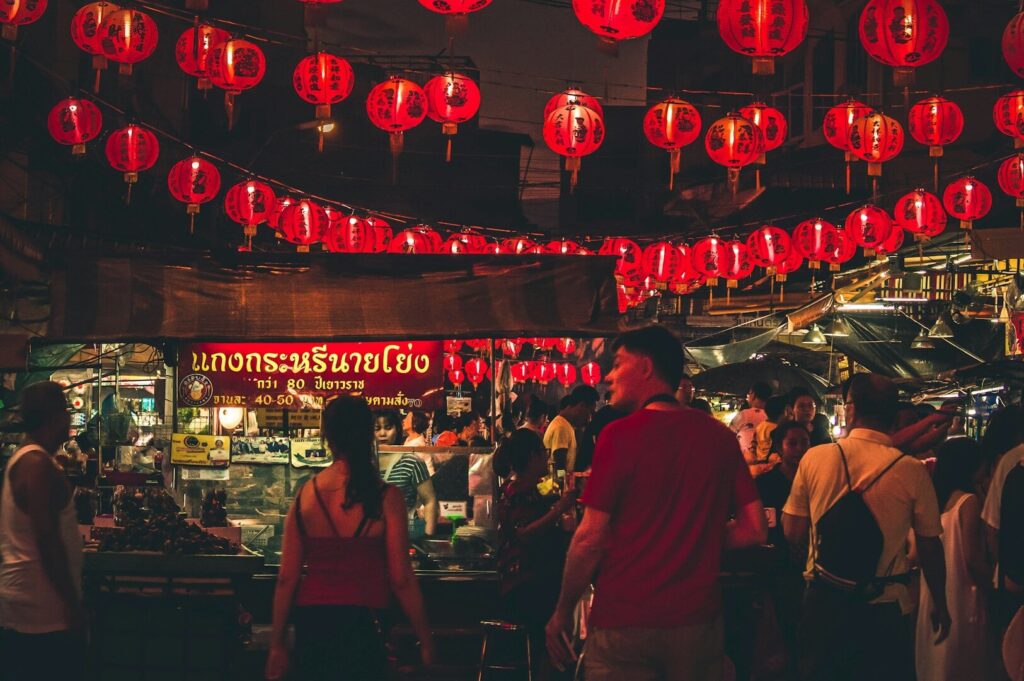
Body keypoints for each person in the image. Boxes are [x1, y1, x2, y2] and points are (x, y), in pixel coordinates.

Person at [545, 326, 766, 680]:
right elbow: (754, 530)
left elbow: (589, 539)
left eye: (618, 364)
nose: (609, 375)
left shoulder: (618, 437)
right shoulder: (720, 438)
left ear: (646, 368)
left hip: (624, 624)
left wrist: (562, 611)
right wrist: (696, 543)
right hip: (697, 626)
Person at [782, 373, 949, 681]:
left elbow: (792, 532)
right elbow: (929, 546)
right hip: (885, 609)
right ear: (893, 414)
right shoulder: (912, 471)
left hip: (824, 601)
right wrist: (940, 602)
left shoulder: (816, 458)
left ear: (852, 409)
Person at [266, 396, 434, 681]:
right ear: (367, 435)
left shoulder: (307, 494)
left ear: (328, 438)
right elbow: (401, 579)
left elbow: (287, 577)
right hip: (365, 624)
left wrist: (277, 645)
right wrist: (426, 640)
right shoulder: (387, 498)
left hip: (313, 622)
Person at [0, 381, 83, 679]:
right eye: (65, 410)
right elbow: (47, 539)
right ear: (55, 417)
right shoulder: (36, 464)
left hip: (36, 608)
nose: (69, 418)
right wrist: (71, 603)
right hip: (40, 613)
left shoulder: (31, 458)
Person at [496, 429, 578, 680]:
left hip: (530, 581)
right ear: (532, 457)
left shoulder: (527, 489)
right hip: (525, 584)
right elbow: (524, 533)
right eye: (543, 453)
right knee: (553, 636)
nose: (547, 458)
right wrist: (560, 509)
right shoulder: (518, 491)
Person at [916, 437, 995, 681]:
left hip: (937, 593)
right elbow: (972, 558)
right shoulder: (968, 502)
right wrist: (994, 588)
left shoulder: (936, 501)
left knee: (939, 663)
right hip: (963, 597)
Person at [755, 420, 811, 675]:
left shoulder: (815, 479)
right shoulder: (766, 483)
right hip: (780, 562)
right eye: (793, 443)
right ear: (780, 447)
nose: (800, 448)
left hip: (812, 561)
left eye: (805, 442)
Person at [376, 411, 438, 539]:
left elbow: (430, 500)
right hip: (372, 538)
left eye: (388, 427)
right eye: (377, 428)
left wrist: (427, 537)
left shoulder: (412, 461)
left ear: (397, 429)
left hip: (405, 536)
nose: (382, 433)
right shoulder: (364, 463)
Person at [542, 385, 599, 475]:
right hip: (557, 485)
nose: (589, 418)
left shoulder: (564, 424)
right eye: (589, 412)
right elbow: (559, 466)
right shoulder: (561, 427)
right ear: (581, 405)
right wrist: (563, 484)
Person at [730, 381, 771, 462]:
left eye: (749, 394)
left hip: (745, 462)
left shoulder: (744, 415)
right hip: (766, 462)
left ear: (753, 395)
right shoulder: (771, 416)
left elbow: (729, 435)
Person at [750, 395, 788, 477]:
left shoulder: (760, 426)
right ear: (784, 412)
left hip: (759, 463)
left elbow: (753, 444)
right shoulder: (777, 429)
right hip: (770, 465)